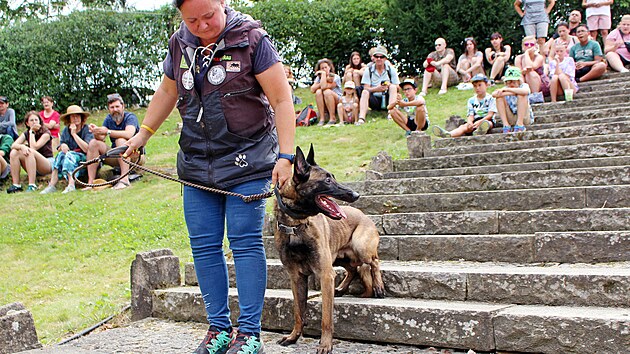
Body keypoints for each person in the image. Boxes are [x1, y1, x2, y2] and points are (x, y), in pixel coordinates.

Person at [122, 1, 295, 353]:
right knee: (203, 245)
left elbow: (281, 99)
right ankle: (218, 329)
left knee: (245, 242)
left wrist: (287, 156)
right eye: (191, 19)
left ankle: (249, 335)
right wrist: (143, 134)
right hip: (198, 162)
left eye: (208, 16)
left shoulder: (252, 39)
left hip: (248, 159)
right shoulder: (180, 43)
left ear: (223, 4)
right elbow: (168, 91)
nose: (201, 25)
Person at [84, 93, 140, 190]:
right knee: (93, 143)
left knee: (120, 141)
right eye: (112, 107)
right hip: (117, 155)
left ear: (123, 106)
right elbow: (101, 138)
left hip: (134, 154)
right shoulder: (109, 119)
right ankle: (90, 183)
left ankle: (124, 179)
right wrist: (96, 131)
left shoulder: (130, 117)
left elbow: (129, 134)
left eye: (117, 106)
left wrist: (108, 132)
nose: (115, 110)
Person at [40, 105, 94, 194]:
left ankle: (71, 184)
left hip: (84, 159)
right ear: (69, 119)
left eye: (77, 115)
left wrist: (74, 134)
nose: (75, 118)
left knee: (70, 155)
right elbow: (60, 146)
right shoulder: (66, 130)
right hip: (69, 158)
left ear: (81, 117)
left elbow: (86, 148)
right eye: (73, 116)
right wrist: (63, 146)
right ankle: (52, 185)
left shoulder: (86, 130)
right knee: (60, 155)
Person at [432, 73, 496, 138]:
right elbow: (470, 115)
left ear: (486, 85)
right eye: (475, 86)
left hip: (486, 120)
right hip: (475, 121)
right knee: (463, 127)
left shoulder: (491, 98)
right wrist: (470, 122)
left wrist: (481, 121)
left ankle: (479, 131)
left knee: (488, 124)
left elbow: (490, 115)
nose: (477, 88)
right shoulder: (471, 100)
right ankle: (449, 134)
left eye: (480, 85)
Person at [6, 111, 53, 193]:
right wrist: (22, 146)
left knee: (29, 151)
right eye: (31, 120)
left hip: (47, 163)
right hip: (31, 164)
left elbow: (33, 147)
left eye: (36, 120)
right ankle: (16, 185)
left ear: (40, 122)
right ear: (27, 123)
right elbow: (13, 145)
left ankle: (32, 185)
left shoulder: (46, 133)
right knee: (14, 152)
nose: (34, 122)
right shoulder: (26, 133)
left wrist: (32, 132)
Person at [357, 46, 400, 124]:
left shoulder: (391, 70)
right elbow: (366, 87)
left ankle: (391, 114)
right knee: (365, 92)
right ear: (373, 58)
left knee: (393, 87)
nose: (379, 59)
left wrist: (389, 85)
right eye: (377, 56)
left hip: (387, 97)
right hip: (374, 98)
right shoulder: (368, 70)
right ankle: (361, 118)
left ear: (385, 58)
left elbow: (398, 87)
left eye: (381, 57)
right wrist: (377, 89)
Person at [492, 66, 535, 133]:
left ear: (518, 81)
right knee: (499, 98)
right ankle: (506, 125)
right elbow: (494, 94)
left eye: (514, 82)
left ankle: (520, 124)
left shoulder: (523, 86)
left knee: (521, 95)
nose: (511, 84)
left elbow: (526, 91)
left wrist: (508, 90)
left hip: (524, 117)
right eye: (509, 82)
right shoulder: (504, 88)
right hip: (511, 116)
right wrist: (510, 92)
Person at [311, 58, 342, 126]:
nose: (324, 69)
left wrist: (324, 75)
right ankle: (322, 119)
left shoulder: (335, 77)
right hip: (325, 101)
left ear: (329, 67)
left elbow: (324, 86)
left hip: (337, 100)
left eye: (326, 67)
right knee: (318, 92)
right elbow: (312, 89)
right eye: (322, 68)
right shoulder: (318, 78)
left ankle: (332, 118)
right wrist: (322, 79)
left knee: (327, 92)